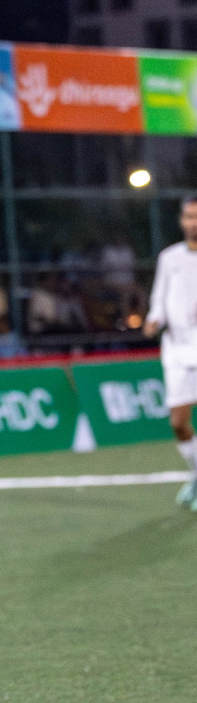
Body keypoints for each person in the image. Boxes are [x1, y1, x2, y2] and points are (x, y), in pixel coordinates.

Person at [144, 195, 197, 510]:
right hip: (178, 351)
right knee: (178, 422)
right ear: (181, 221)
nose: (193, 222)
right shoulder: (169, 258)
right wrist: (153, 320)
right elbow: (158, 300)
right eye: (189, 217)